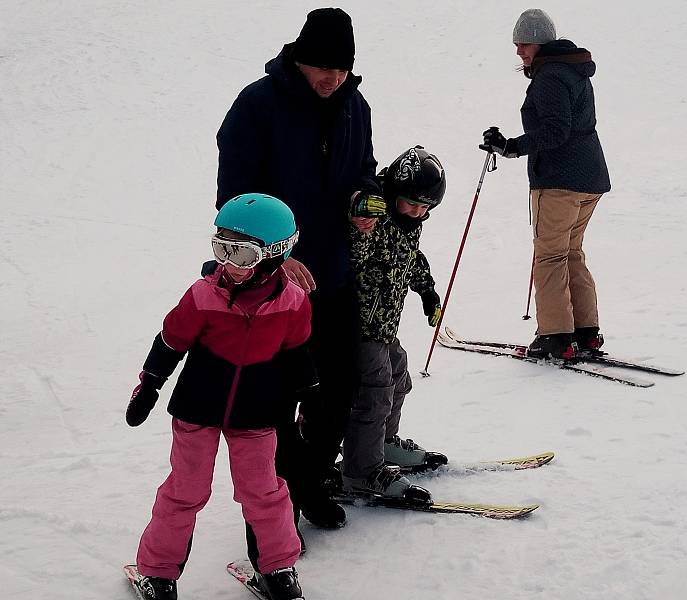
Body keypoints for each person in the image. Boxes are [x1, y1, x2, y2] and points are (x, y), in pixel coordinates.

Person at [215, 7, 380, 532]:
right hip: (267, 285)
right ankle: (272, 506)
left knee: (341, 385)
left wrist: (364, 199)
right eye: (323, 68)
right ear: (300, 58)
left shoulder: (355, 105)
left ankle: (308, 483)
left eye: (342, 69)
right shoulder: (257, 105)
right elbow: (235, 202)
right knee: (277, 398)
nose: (333, 78)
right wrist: (277, 258)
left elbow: (365, 172)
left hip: (332, 274)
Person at [125, 194, 311, 600]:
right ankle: (158, 573)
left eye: (240, 254)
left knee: (264, 492)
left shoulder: (293, 302)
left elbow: (297, 354)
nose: (229, 263)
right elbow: (170, 341)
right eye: (221, 248)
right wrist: (150, 384)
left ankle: (278, 570)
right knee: (186, 490)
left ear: (274, 253)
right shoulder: (203, 295)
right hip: (197, 409)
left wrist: (309, 398)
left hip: (257, 414)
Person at [480, 9, 611, 360]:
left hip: (560, 181)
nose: (519, 52)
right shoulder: (574, 70)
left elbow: (556, 130)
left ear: (539, 43)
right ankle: (585, 332)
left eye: (523, 44)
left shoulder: (551, 77)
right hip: (590, 178)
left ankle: (555, 336)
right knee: (571, 253)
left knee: (551, 256)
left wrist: (511, 146)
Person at [341, 146, 448, 499]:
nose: (417, 213)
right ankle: (361, 470)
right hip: (358, 326)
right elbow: (353, 261)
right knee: (375, 393)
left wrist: (428, 291)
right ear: (393, 193)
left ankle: (382, 445)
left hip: (383, 326)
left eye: (425, 208)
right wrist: (360, 229)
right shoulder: (374, 217)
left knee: (398, 377)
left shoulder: (407, 224)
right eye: (412, 203)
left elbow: (410, 260)